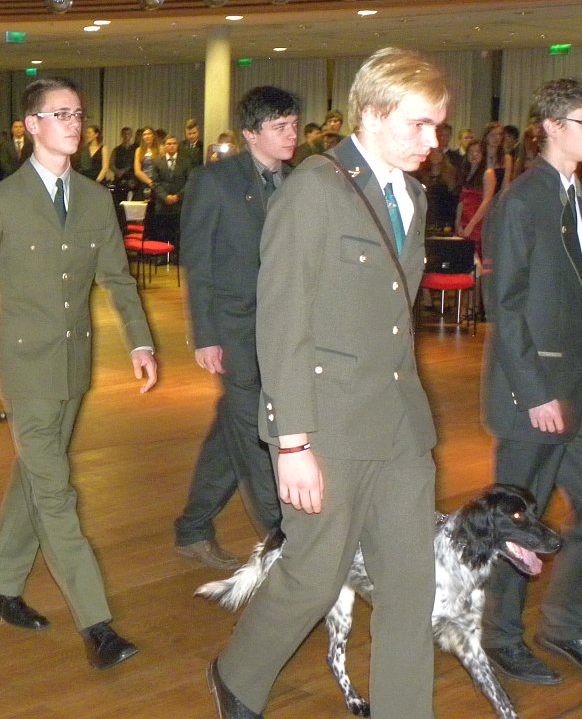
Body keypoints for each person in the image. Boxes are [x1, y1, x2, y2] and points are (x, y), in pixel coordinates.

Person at [209, 48, 447, 719]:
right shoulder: (315, 189)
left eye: (438, 126)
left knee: (412, 589)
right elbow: (283, 320)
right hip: (329, 424)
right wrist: (292, 442)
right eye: (419, 124)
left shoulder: (413, 195)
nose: (433, 141)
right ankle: (238, 676)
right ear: (372, 114)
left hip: (399, 423)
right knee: (313, 577)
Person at [0, 76, 157, 671]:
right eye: (60, 114)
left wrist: (140, 341)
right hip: (25, 366)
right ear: (31, 126)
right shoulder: (0, 201)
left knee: (36, 477)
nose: (74, 123)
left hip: (74, 364)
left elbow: (116, 277)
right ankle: (97, 624)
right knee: (56, 492)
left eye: (78, 114)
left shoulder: (94, 199)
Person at [481, 78, 582, 687]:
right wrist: (534, 392)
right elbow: (506, 303)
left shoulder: (577, 196)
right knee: (517, 522)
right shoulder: (523, 201)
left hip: (580, 378)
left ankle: (567, 626)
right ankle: (500, 638)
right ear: (551, 127)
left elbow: (571, 284)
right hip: (537, 387)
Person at [175, 86, 300, 572]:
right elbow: (198, 262)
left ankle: (192, 528)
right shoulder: (214, 181)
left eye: (293, 125)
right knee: (258, 434)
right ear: (250, 134)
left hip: (282, 330)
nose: (291, 135)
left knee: (234, 430)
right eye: (279, 127)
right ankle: (285, 543)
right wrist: (205, 335)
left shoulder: (298, 182)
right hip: (233, 329)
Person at [458, 140, 498, 257]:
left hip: (478, 222)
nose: (474, 154)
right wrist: (458, 222)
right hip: (465, 221)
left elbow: (487, 201)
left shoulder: (488, 173)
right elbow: (461, 200)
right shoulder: (465, 173)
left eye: (477, 151)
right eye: (471, 152)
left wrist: (471, 225)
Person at [149, 134, 190, 243]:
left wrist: (178, 196)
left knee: (177, 236)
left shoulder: (185, 162)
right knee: (162, 236)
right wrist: (165, 197)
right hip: (162, 205)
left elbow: (189, 182)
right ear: (165, 146)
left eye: (174, 143)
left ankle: (176, 253)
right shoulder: (157, 162)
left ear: (177, 145)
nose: (172, 146)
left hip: (179, 204)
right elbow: (155, 182)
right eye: (169, 144)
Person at [109, 126, 137, 197]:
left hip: (131, 179)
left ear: (131, 135)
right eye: (124, 134)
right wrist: (117, 171)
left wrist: (124, 171)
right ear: (121, 135)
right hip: (118, 178)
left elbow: (135, 164)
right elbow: (111, 164)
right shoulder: (116, 149)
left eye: (128, 134)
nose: (126, 136)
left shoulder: (135, 149)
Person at [133, 127, 160, 199]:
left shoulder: (160, 149)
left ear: (153, 136)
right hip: (144, 182)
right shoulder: (139, 150)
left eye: (149, 134)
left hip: (158, 183)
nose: (147, 136)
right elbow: (137, 171)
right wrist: (149, 182)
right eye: (144, 134)